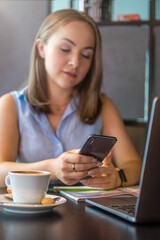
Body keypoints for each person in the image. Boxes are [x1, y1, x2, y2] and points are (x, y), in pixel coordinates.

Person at [0, 9, 142, 189]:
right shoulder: (11, 104)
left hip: (88, 214)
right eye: (65, 49)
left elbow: (133, 165)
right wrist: (52, 168)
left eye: (86, 55)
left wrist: (117, 177)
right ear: (41, 48)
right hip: (31, 214)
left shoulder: (102, 105)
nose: (75, 62)